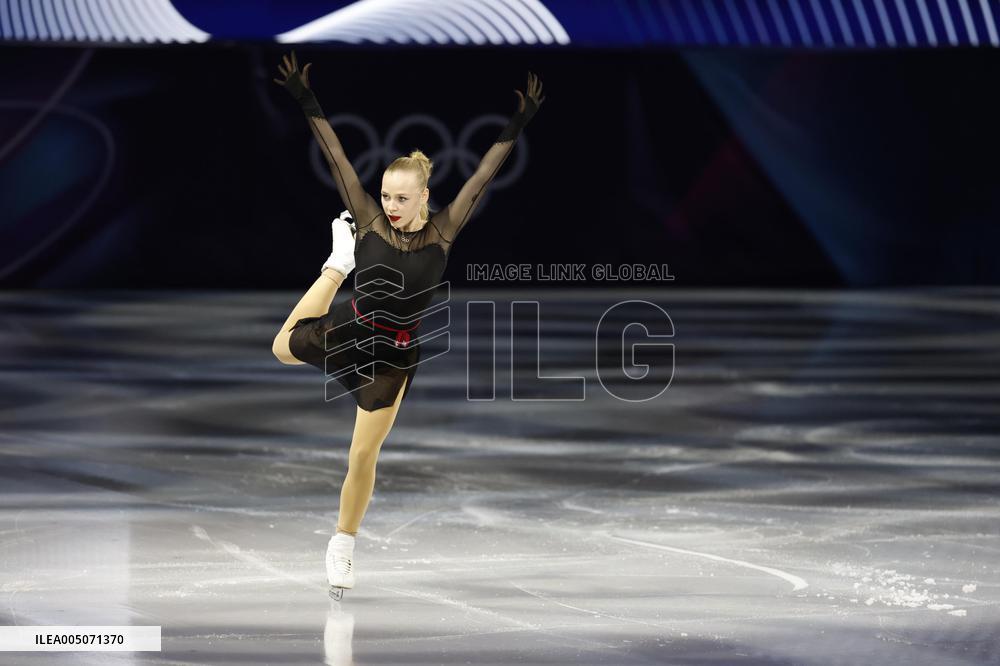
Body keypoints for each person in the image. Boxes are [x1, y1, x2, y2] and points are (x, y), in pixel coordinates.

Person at [270, 52, 544, 598]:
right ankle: (336, 264)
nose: (390, 205)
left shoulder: (443, 233)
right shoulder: (369, 221)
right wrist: (307, 99)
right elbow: (338, 157)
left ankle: (343, 544)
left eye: (401, 197)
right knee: (281, 347)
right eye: (386, 195)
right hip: (353, 328)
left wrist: (519, 122)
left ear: (424, 196)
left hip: (393, 357)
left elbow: (483, 175)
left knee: (362, 454)